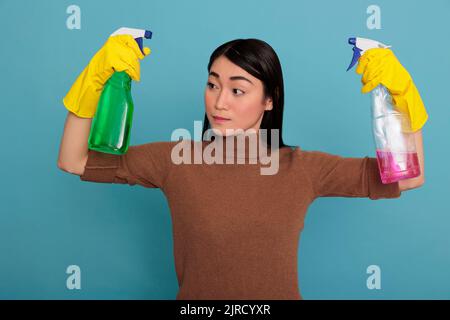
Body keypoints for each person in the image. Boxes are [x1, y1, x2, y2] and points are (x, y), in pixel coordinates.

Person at [57, 35, 428, 300]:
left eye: (238, 89)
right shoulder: (175, 160)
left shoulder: (302, 168)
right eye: (212, 84)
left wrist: (401, 98)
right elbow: (73, 160)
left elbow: (409, 177)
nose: (219, 102)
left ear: (269, 99)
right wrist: (95, 81)